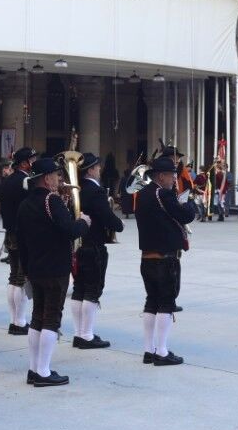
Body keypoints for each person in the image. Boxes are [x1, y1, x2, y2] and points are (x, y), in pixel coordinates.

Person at [16, 157, 90, 386]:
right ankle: (44, 372)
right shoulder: (51, 200)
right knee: (51, 318)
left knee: (37, 317)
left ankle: (34, 368)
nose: (60, 179)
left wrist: (26, 269)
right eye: (57, 175)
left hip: (35, 267)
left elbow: (22, 240)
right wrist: (84, 223)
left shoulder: (26, 203)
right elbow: (69, 230)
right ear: (46, 179)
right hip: (55, 267)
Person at [136, 156, 196, 366]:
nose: (173, 179)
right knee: (166, 303)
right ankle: (161, 351)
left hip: (147, 257)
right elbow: (184, 215)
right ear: (161, 176)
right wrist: (190, 205)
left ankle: (148, 349)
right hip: (165, 258)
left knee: (151, 301)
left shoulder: (142, 194)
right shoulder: (163, 194)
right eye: (171, 175)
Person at [70, 152, 122, 349]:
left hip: (79, 245)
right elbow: (107, 216)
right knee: (93, 289)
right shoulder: (96, 191)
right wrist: (119, 225)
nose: (100, 170)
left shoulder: (77, 190)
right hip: (94, 246)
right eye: (97, 167)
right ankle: (87, 335)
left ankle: (78, 333)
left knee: (79, 289)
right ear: (90, 170)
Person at [0, 148, 37, 334]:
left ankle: (15, 319)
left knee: (14, 276)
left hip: (10, 231)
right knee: (21, 278)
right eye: (32, 159)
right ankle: (19, 322)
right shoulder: (25, 181)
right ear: (24, 163)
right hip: (23, 233)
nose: (34, 162)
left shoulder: (8, 180)